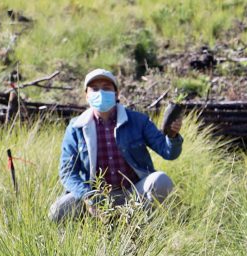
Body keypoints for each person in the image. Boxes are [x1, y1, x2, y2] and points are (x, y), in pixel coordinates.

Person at [50, 68, 183, 222]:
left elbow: (168, 152)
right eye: (94, 89)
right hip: (96, 198)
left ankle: (144, 226)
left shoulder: (138, 120)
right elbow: (67, 173)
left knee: (161, 180)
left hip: (133, 194)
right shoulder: (76, 128)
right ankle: (90, 230)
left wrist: (172, 136)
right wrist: (88, 196)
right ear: (86, 95)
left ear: (116, 93)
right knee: (58, 210)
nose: (100, 93)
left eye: (106, 88)